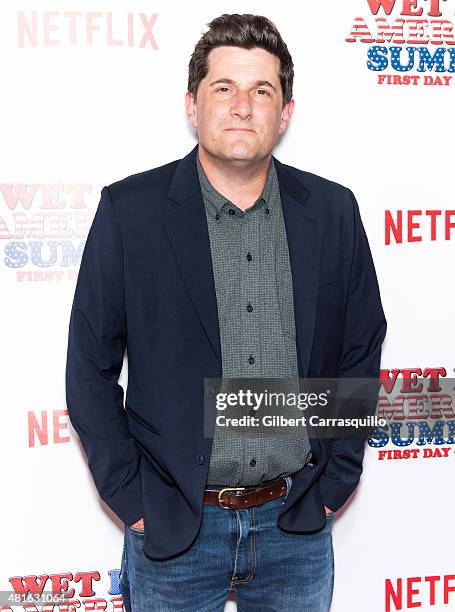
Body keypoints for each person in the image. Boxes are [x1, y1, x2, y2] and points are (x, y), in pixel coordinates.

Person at [65, 13, 387, 612]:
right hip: (174, 532)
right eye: (224, 88)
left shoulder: (334, 212)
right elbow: (88, 367)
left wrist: (334, 483)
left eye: (261, 91)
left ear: (285, 112)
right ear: (192, 105)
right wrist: (133, 502)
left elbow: (361, 347)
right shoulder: (129, 213)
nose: (242, 106)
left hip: (297, 526)